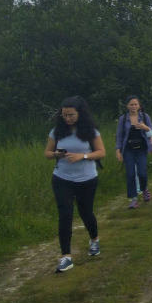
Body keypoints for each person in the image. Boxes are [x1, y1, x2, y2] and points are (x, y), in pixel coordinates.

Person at [44, 96, 106, 273]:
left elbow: (101, 152)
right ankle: (66, 257)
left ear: (80, 114)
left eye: (71, 115)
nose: (67, 118)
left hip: (86, 179)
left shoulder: (90, 131)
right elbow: (47, 153)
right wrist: (56, 154)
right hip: (62, 178)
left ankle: (94, 240)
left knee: (85, 212)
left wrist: (83, 156)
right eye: (64, 115)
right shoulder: (56, 131)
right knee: (65, 214)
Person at [115, 96, 152, 208]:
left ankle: (144, 188)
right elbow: (119, 136)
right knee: (130, 174)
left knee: (142, 172)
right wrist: (118, 151)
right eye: (131, 104)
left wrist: (144, 127)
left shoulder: (145, 117)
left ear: (139, 106)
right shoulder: (123, 119)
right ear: (127, 106)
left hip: (141, 149)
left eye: (135, 104)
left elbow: (151, 132)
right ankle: (134, 198)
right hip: (128, 149)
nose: (133, 106)